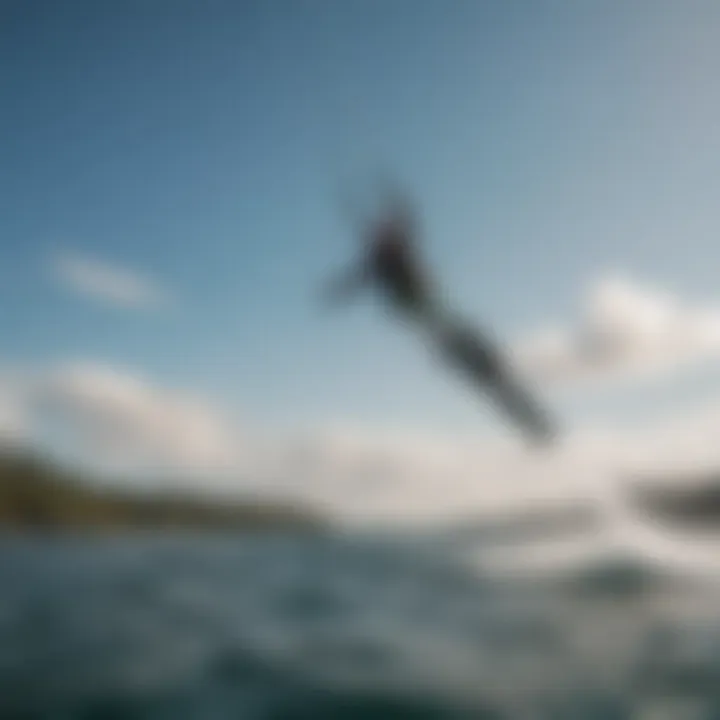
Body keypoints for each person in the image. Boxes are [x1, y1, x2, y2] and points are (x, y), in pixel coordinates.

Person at [322, 192, 558, 447]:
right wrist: (335, 291)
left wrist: (390, 196)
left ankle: (535, 421)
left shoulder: (394, 249)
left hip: (443, 322)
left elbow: (404, 216)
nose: (383, 237)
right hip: (435, 327)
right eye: (381, 235)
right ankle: (534, 424)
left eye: (384, 233)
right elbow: (355, 279)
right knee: (482, 374)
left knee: (487, 371)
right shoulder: (380, 260)